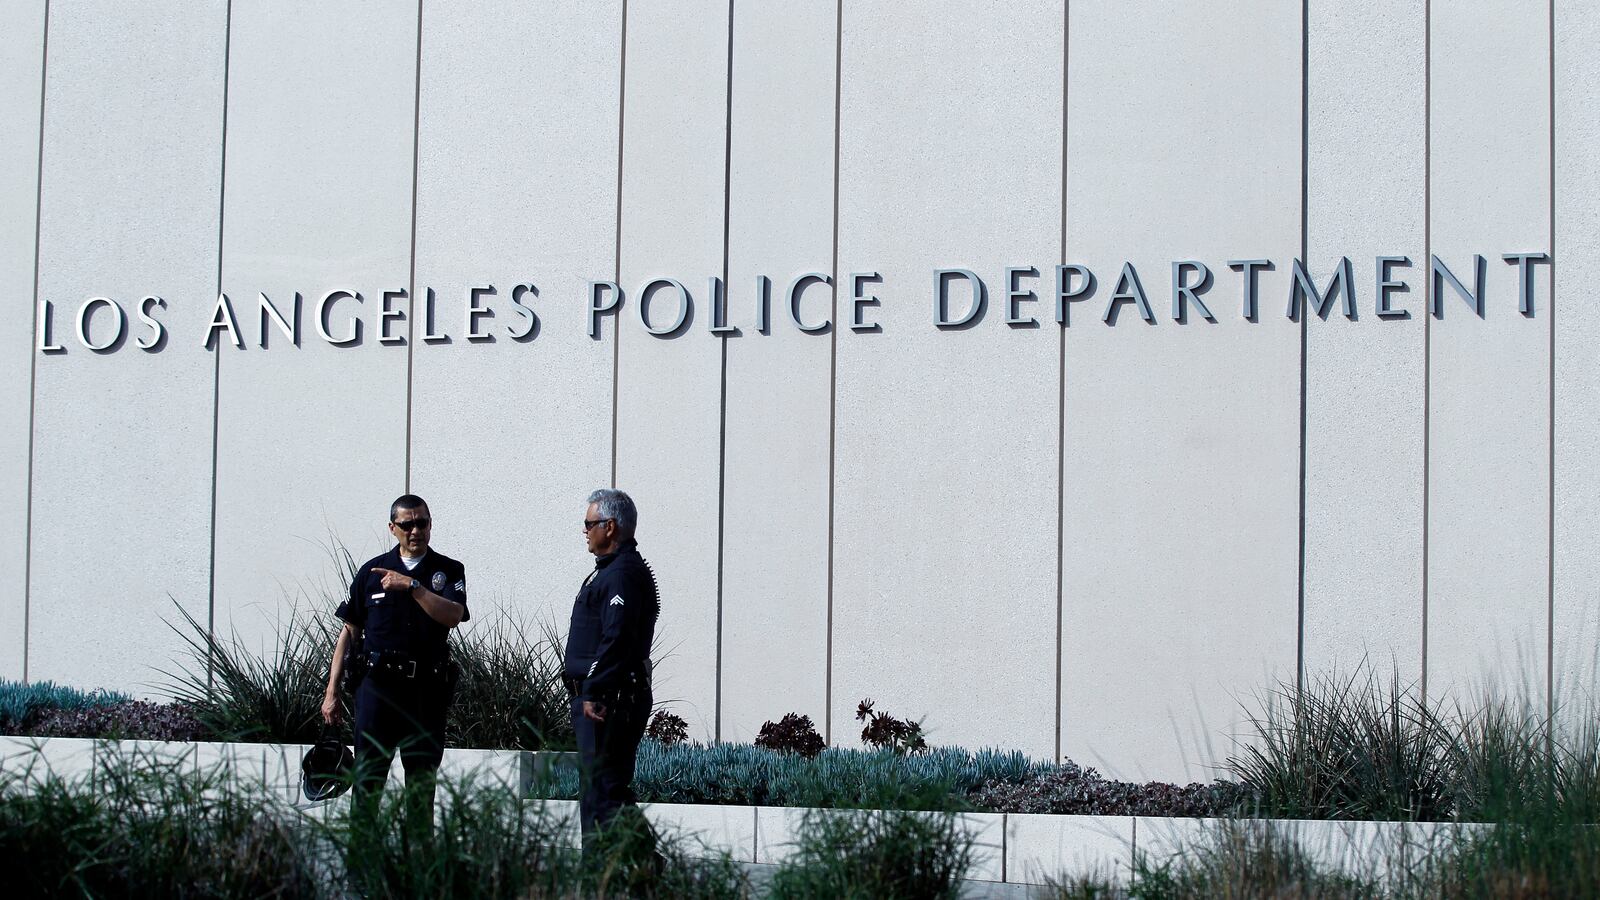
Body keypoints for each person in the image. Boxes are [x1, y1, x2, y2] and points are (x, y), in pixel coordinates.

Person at [322, 493, 467, 841]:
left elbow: (454, 615)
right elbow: (349, 631)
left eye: (423, 523)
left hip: (424, 692)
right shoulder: (372, 573)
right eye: (407, 524)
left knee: (420, 786)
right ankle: (362, 875)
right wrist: (331, 691)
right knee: (369, 781)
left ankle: (416, 874)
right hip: (378, 689)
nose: (416, 531)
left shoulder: (447, 571)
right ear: (393, 528)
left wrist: (413, 587)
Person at [564, 487, 660, 847]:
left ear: (611, 526)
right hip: (601, 697)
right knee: (601, 792)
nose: (585, 531)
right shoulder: (608, 572)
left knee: (604, 792)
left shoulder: (621, 574)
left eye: (590, 523)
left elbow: (617, 637)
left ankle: (630, 872)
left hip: (609, 700)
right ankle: (637, 871)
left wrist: (593, 689)